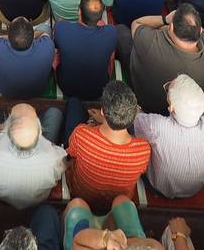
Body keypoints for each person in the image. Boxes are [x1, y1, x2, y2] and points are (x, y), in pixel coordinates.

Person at [63, 80, 151, 208]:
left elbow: (70, 153)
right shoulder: (143, 150)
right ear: (133, 116)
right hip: (117, 206)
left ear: (103, 111)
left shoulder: (81, 134)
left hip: (81, 195)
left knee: (73, 103)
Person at [131, 74, 204, 199]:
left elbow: (135, 116)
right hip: (194, 190)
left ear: (172, 108)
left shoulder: (156, 126)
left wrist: (136, 107)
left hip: (158, 188)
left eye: (168, 91)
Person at [122, 4, 204, 115]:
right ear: (200, 31)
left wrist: (165, 19)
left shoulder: (150, 43)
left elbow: (137, 23)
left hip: (146, 103)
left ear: (171, 27)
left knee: (121, 32)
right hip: (187, 112)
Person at [0, 101, 66, 209]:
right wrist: (44, 141)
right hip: (35, 203)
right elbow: (59, 171)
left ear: (8, 130)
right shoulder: (52, 159)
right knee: (55, 113)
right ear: (39, 130)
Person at [53, 0, 118, 101]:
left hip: (67, 88)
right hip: (99, 89)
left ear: (79, 11)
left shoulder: (61, 29)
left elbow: (60, 27)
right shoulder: (111, 32)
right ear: (101, 16)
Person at [0, 17, 54, 99]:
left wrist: (13, 37)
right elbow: (44, 34)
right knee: (45, 28)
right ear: (32, 35)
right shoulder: (47, 45)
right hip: (38, 91)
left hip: (6, 91)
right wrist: (28, 36)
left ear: (9, 36)